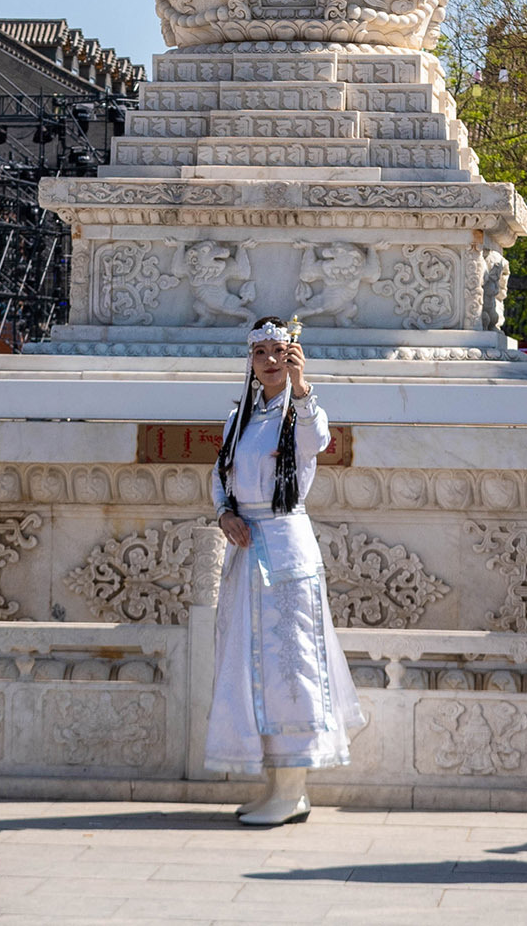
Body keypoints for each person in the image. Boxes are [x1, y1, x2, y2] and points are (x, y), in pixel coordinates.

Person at [203, 317, 366, 827]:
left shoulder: (299, 412)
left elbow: (318, 441)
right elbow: (220, 474)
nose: (270, 361)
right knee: (251, 665)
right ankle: (276, 784)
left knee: (290, 664)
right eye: (261, 353)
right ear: (249, 361)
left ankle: (294, 785)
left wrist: (303, 387)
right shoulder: (241, 417)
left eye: (279, 351)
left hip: (285, 549)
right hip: (247, 550)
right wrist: (225, 513)